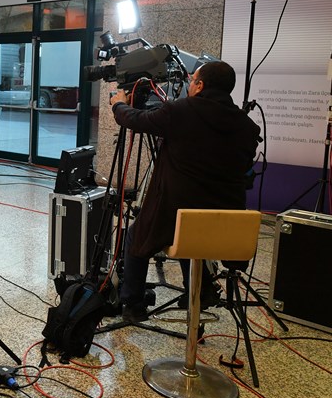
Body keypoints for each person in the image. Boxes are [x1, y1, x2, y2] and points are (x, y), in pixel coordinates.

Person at [108, 61, 260, 322]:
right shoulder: (247, 126)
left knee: (136, 236)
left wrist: (118, 104)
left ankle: (132, 305)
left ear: (200, 85)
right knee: (193, 239)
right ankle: (200, 292)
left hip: (176, 213)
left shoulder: (181, 111)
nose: (190, 85)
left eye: (193, 81)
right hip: (225, 220)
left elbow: (135, 120)